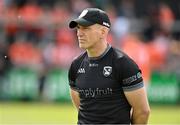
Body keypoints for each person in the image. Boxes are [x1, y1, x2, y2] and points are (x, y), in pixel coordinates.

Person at [68, 8, 150, 124]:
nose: (79, 33)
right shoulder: (75, 65)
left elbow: (142, 111)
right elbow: (82, 107)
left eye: (86, 28)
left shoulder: (123, 64)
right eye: (78, 28)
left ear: (103, 31)